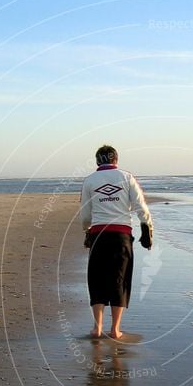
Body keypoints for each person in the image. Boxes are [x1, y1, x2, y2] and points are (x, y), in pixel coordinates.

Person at [80, 145, 153, 339]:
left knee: (96, 280)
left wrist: (87, 230)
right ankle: (115, 329)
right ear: (116, 160)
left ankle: (97, 328)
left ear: (97, 161)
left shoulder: (89, 181)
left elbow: (85, 214)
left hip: (98, 235)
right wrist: (147, 228)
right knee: (120, 279)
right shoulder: (127, 177)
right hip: (121, 235)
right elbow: (140, 205)